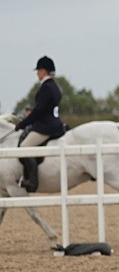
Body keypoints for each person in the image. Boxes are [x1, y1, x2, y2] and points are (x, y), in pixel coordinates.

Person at [14, 56, 67, 192]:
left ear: (43, 71)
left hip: (46, 126)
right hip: (53, 123)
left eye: (38, 71)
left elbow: (39, 111)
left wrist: (23, 124)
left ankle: (32, 181)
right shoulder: (54, 86)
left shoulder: (46, 87)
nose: (37, 73)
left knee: (25, 146)